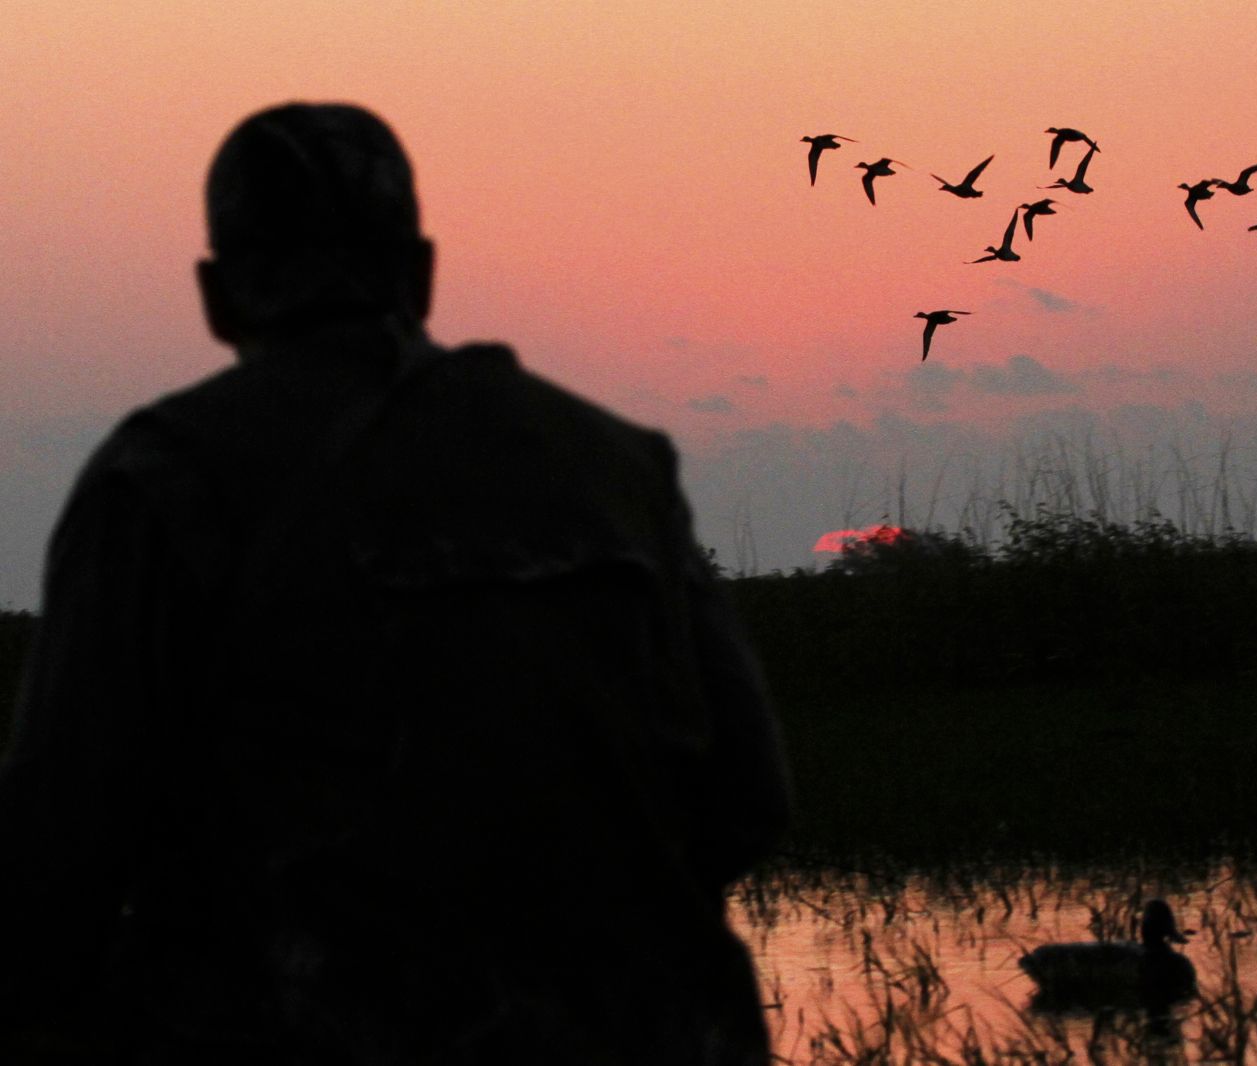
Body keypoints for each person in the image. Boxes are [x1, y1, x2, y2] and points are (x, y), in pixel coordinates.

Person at [0, 103, 790, 1064]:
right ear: (421, 273)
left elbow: (56, 858)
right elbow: (749, 797)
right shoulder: (618, 465)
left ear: (217, 296)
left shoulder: (162, 477)